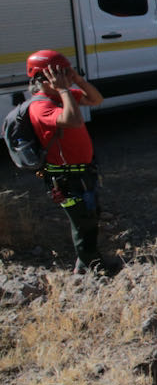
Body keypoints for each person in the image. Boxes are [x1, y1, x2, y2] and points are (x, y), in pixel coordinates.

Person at [24, 50, 116, 276]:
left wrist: (78, 80)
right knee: (83, 222)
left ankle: (86, 263)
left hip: (83, 173)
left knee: (90, 216)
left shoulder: (60, 97)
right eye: (61, 73)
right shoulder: (40, 106)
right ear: (43, 78)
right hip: (66, 178)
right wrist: (64, 89)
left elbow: (96, 99)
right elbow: (73, 120)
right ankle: (90, 268)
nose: (66, 77)